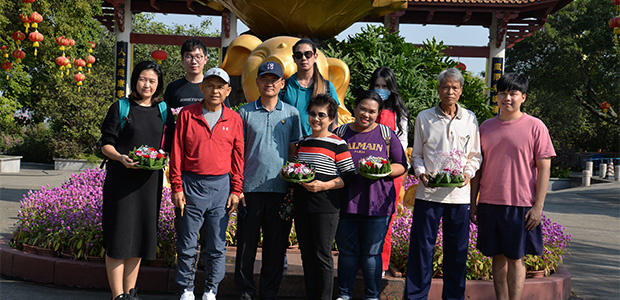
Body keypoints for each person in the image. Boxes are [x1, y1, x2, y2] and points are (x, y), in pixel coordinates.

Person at [470, 73, 555, 300]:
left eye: (513, 93)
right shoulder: (485, 127)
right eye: (502, 93)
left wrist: (538, 207)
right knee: (496, 258)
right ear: (496, 97)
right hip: (489, 202)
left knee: (516, 258)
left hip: (521, 204)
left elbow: (545, 168)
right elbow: (477, 168)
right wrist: (473, 202)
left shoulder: (536, 126)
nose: (507, 98)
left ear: (523, 97)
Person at [100, 61, 175, 300]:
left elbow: (170, 146)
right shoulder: (121, 107)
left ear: (158, 84)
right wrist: (121, 158)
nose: (147, 85)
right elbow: (106, 144)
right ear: (135, 80)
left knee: (140, 237)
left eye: (152, 81)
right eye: (143, 79)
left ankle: (131, 292)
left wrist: (163, 158)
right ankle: (117, 295)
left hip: (149, 183)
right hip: (121, 183)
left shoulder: (163, 110)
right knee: (118, 237)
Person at [405, 68, 482, 300]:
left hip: (459, 198)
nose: (450, 91)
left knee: (457, 252)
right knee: (421, 250)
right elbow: (416, 154)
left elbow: (475, 156)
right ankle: (416, 296)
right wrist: (420, 173)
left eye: (454, 88)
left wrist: (468, 174)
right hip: (428, 195)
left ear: (461, 91)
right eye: (445, 87)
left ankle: (454, 297)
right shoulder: (424, 117)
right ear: (438, 90)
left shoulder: (470, 118)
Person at [169, 67, 244, 300]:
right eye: (210, 85)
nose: (215, 90)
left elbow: (239, 157)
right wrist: (177, 187)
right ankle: (186, 289)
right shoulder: (187, 115)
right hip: (191, 185)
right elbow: (177, 153)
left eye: (220, 86)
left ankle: (212, 289)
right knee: (188, 242)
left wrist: (236, 190)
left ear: (228, 90)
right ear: (202, 87)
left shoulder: (234, 118)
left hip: (221, 187)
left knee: (216, 244)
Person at [234, 61, 302, 300]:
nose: (269, 83)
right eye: (265, 79)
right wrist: (237, 186)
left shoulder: (292, 114)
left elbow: (295, 152)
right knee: (245, 246)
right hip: (250, 189)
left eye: (274, 79)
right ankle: (244, 292)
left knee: (275, 246)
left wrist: (293, 186)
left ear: (282, 84)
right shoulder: (244, 112)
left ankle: (269, 292)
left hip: (280, 189)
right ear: (257, 82)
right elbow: (237, 153)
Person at [334, 90, 408, 300]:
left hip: (377, 204)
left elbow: (401, 165)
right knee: (347, 253)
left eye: (372, 112)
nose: (366, 114)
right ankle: (344, 295)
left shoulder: (386, 134)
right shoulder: (340, 133)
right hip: (346, 202)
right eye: (363, 109)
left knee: (371, 254)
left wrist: (384, 171)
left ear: (378, 114)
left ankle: (372, 296)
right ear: (354, 108)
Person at [294, 94, 356, 300]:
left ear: (331, 119)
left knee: (322, 256)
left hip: (326, 206)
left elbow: (349, 175)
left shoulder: (338, 144)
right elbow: (299, 169)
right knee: (306, 255)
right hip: (302, 205)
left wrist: (324, 185)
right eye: (312, 113)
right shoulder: (304, 141)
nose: (316, 118)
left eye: (322, 115)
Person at [369, 66, 409, 274]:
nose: (380, 89)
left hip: (390, 172)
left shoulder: (399, 113)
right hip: (366, 171)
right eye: (377, 85)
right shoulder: (366, 108)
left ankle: (381, 264)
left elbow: (402, 146)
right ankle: (362, 262)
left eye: (385, 86)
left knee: (386, 219)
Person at [281, 38, 339, 136]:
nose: (304, 58)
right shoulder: (284, 86)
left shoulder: (327, 87)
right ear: (294, 58)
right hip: (290, 143)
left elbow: (334, 120)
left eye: (308, 54)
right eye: (299, 55)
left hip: (318, 143)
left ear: (315, 56)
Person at [165, 38, 230, 108]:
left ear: (205, 59)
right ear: (182, 59)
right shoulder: (173, 88)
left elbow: (226, 114)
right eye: (189, 57)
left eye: (198, 57)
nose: (194, 61)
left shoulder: (216, 88)